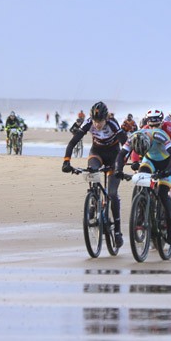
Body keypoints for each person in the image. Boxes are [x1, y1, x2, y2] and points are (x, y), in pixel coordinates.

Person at [62, 102, 128, 248]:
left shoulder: (112, 124)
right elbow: (72, 143)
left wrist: (121, 165)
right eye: (95, 122)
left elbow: (126, 145)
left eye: (100, 122)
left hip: (114, 156)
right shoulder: (88, 123)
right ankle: (93, 198)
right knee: (92, 170)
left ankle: (117, 231)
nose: (97, 125)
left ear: (106, 118)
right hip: (96, 153)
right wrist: (66, 161)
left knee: (112, 193)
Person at [115, 127, 171, 232]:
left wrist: (168, 170)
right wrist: (118, 170)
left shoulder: (158, 135)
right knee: (141, 178)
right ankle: (142, 210)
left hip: (167, 162)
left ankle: (170, 224)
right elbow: (121, 154)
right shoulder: (132, 137)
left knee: (163, 193)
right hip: (150, 160)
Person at [141, 109, 171, 229]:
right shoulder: (145, 130)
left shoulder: (169, 128)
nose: (154, 129)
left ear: (162, 123)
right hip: (155, 159)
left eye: (157, 125)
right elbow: (137, 148)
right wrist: (137, 161)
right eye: (151, 126)